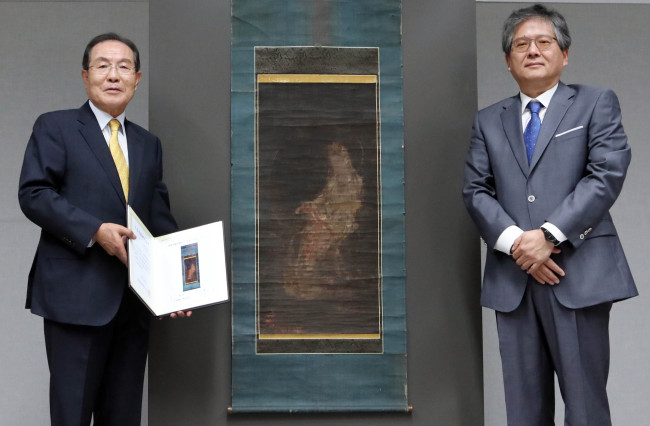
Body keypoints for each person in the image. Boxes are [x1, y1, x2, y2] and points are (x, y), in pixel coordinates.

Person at [463, 4, 637, 425]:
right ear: (507, 60)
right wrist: (519, 246)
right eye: (521, 44)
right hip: (513, 280)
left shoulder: (596, 102)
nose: (533, 51)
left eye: (545, 42)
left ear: (565, 53)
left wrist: (549, 236)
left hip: (579, 274)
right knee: (523, 411)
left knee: (585, 407)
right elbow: (475, 190)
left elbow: (606, 173)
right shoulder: (488, 121)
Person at [18, 33, 189, 425]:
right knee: (72, 415)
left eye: (124, 67)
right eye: (103, 66)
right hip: (74, 300)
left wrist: (177, 283)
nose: (114, 75)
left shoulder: (149, 144)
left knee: (123, 416)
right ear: (85, 76)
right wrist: (95, 230)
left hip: (133, 305)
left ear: (137, 78)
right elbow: (34, 194)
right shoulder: (56, 127)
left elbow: (157, 218)